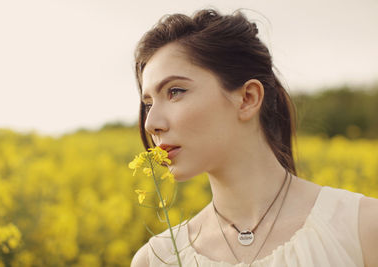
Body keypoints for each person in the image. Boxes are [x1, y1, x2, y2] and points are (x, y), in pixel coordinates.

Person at [130, 8, 378, 267]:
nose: (150, 123)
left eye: (175, 91)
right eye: (148, 104)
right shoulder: (156, 259)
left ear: (248, 98)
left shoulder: (363, 230)